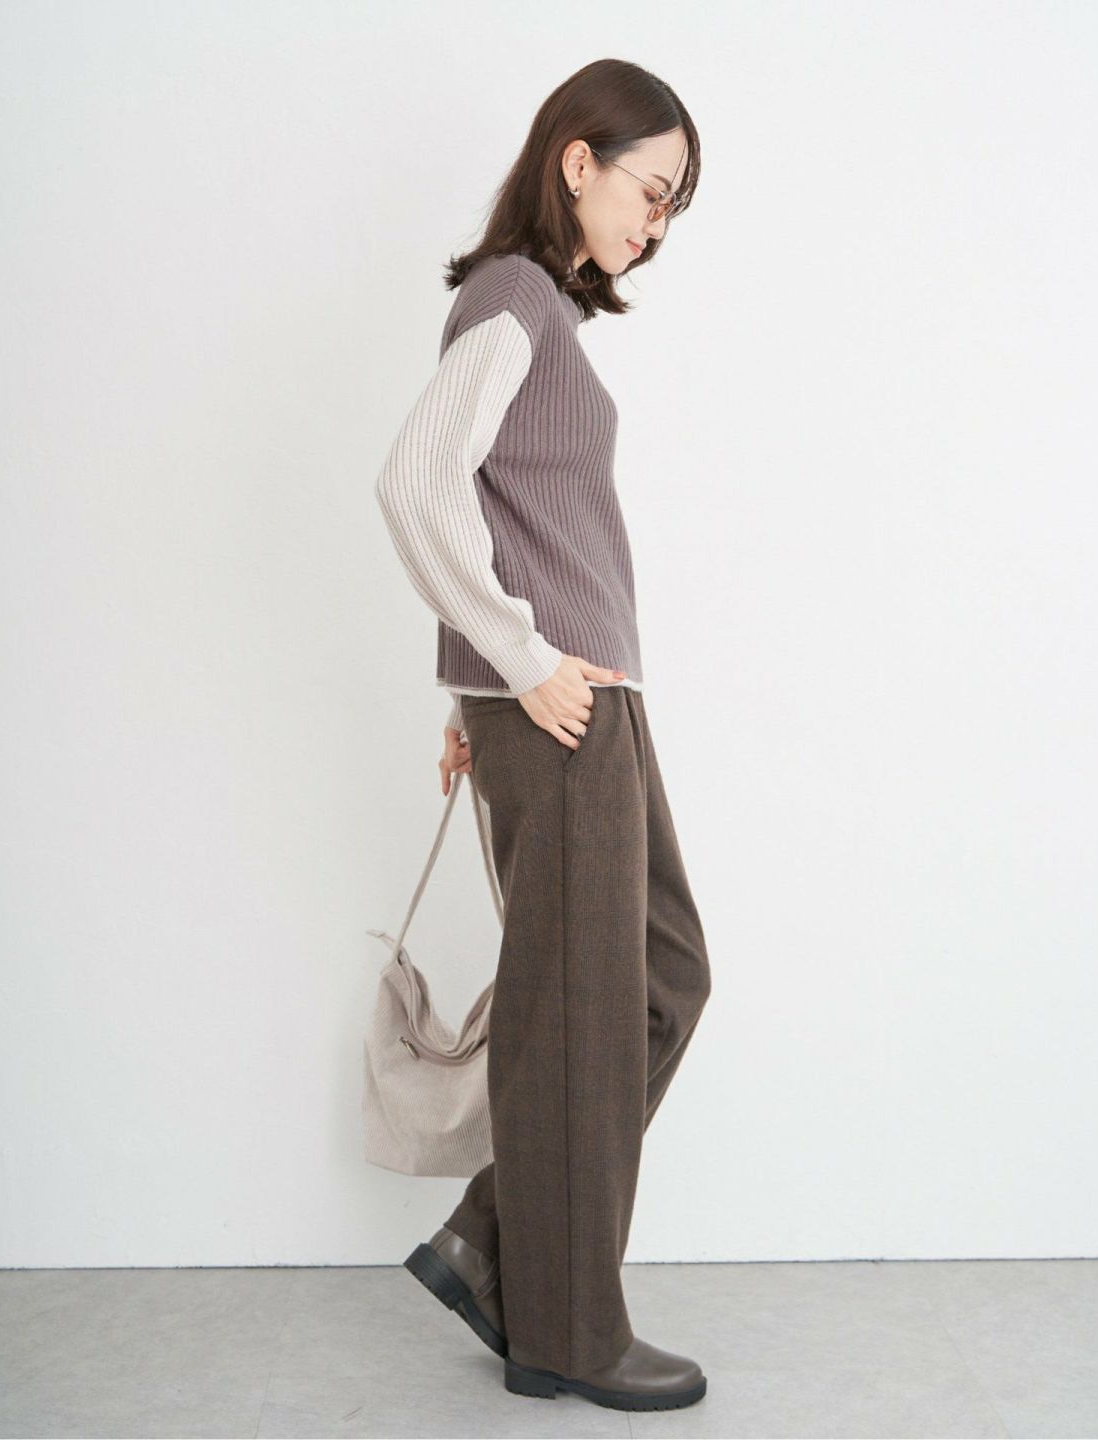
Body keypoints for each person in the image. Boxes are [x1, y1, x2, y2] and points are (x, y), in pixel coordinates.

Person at [374, 58, 712, 1413]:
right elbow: (415, 483)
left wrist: (489, 679)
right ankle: (569, 1332)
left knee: (661, 978)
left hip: (581, 702)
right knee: (582, 1011)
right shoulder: (513, 299)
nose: (657, 222)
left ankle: (491, 1244)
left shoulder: (543, 318)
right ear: (578, 161)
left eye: (674, 204)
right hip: (560, 703)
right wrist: (509, 665)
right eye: (651, 188)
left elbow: (500, 514)